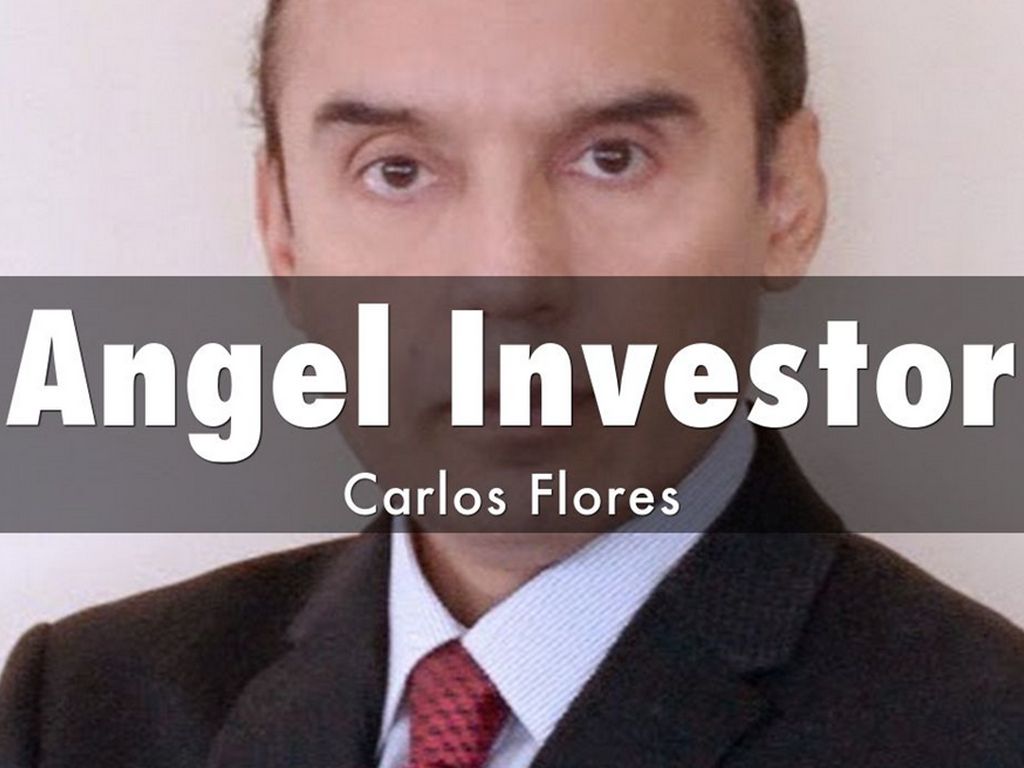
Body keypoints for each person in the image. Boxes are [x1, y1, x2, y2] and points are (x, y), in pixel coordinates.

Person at [2, 0, 1023, 766]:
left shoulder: (987, 728)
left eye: (614, 158)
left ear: (785, 198)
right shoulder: (79, 711)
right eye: (397, 170)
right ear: (284, 231)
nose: (508, 278)